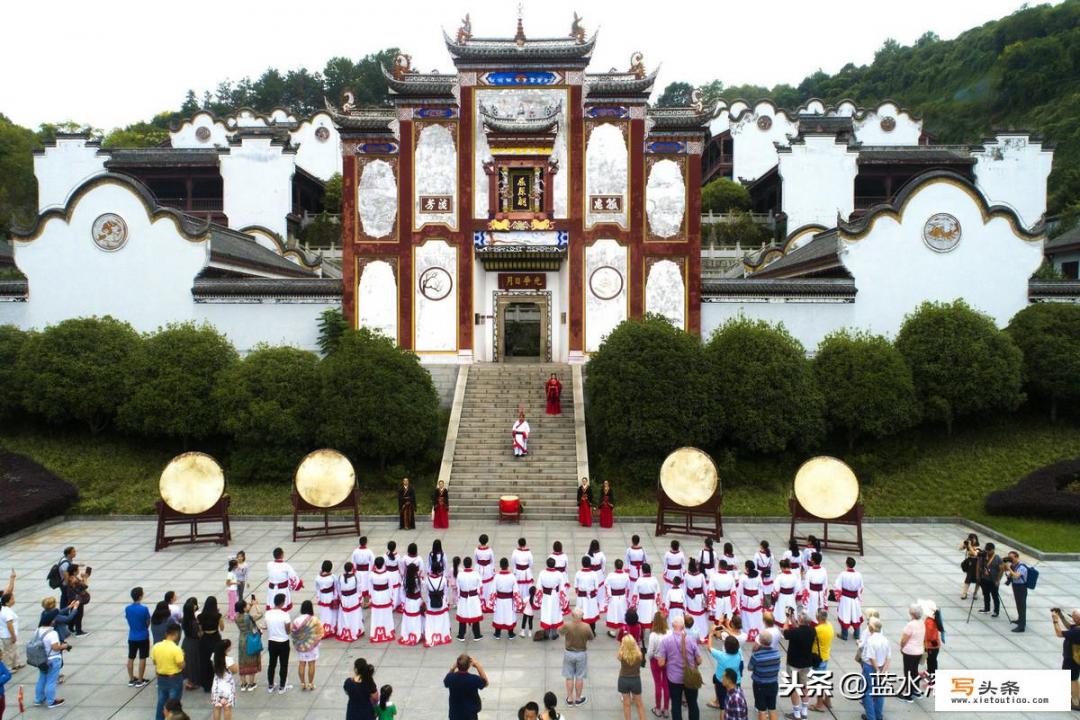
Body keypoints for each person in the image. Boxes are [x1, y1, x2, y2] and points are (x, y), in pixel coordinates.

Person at [656, 615, 702, 720]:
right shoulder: (691, 640)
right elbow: (699, 661)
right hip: (690, 677)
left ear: (672, 625)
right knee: (693, 704)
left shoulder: (665, 641)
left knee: (676, 704)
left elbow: (661, 663)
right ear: (683, 626)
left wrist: (669, 662)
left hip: (674, 678)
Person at [781, 610, 816, 720]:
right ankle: (804, 711)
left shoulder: (795, 632)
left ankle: (796, 713)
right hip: (807, 664)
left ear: (800, 620)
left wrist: (787, 619)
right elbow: (799, 628)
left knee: (794, 688)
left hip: (794, 664)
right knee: (805, 686)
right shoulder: (812, 630)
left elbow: (785, 632)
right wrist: (793, 619)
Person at [32, 610, 68, 709]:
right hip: (53, 659)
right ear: (51, 621)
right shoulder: (52, 633)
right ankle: (51, 701)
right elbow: (55, 647)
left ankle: (38, 699)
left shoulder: (37, 631)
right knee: (51, 681)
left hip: (41, 659)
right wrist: (64, 646)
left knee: (42, 679)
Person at [560, 607, 595, 705]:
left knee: (569, 677)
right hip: (581, 654)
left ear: (572, 616)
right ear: (582, 616)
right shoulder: (586, 626)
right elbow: (591, 638)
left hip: (569, 653)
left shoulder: (567, 625)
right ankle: (579, 699)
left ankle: (570, 699)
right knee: (579, 677)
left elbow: (560, 632)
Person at [151, 623, 185, 720]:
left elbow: (154, 662)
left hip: (161, 678)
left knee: (161, 701)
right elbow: (181, 665)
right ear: (176, 634)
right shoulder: (176, 649)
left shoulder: (156, 646)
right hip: (174, 678)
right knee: (174, 703)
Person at [859, 618, 891, 720]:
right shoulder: (885, 640)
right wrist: (883, 671)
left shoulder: (871, 640)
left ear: (872, 628)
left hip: (870, 668)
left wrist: (877, 670)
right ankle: (878, 715)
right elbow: (888, 658)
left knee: (867, 692)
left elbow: (871, 658)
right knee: (879, 692)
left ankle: (871, 717)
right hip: (882, 667)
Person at [289, 600, 324, 691]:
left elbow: (293, 633)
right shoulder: (314, 619)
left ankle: (302, 683)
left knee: (302, 663)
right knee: (311, 664)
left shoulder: (296, 620)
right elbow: (320, 632)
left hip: (301, 646)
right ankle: (311, 684)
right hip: (312, 646)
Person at [747, 629, 780, 720]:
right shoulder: (777, 654)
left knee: (762, 710)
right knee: (772, 708)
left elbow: (750, 668)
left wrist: (754, 651)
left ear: (760, 641)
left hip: (760, 685)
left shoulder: (756, 656)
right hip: (773, 684)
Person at [706, 627, 742, 711]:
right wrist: (727, 631)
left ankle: (719, 703)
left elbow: (709, 648)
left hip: (721, 681)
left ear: (725, 647)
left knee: (723, 707)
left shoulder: (721, 656)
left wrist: (710, 635)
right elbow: (736, 642)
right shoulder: (739, 653)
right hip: (736, 681)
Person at [444, 654, 488, 720]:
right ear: (469, 665)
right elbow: (486, 683)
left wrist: (452, 668)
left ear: (457, 665)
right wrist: (478, 666)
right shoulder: (474, 679)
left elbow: (446, 682)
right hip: (470, 714)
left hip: (455, 713)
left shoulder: (451, 678)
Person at [234, 595, 263, 692]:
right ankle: (251, 683)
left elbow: (245, 613)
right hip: (250, 639)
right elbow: (260, 614)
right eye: (246, 605)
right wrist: (255, 605)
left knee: (242, 661)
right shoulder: (248, 617)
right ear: (243, 607)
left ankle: (243, 684)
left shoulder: (236, 617)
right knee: (252, 660)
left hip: (242, 639)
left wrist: (250, 605)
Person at [1052, 608, 1080, 710]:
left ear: (1077, 620)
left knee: (1072, 679)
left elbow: (1059, 633)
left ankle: (1076, 702)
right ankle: (1075, 699)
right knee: (1074, 679)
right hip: (1074, 658)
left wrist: (1055, 620)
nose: (1071, 619)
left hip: (1072, 659)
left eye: (1073, 617)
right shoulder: (1077, 628)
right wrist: (1061, 616)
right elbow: (1069, 626)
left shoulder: (1077, 632)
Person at [264, 592, 292, 694]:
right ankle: (282, 686)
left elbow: (266, 626)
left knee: (272, 664)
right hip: (283, 642)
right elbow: (288, 630)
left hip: (272, 641)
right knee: (283, 665)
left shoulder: (268, 613)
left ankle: (270, 685)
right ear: (282, 603)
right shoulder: (285, 615)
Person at [807, 609, 834, 713]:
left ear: (818, 618)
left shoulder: (817, 630)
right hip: (826, 656)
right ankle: (827, 700)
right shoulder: (830, 625)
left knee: (819, 682)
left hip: (818, 658)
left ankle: (819, 705)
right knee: (824, 679)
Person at [646, 611, 671, 718]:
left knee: (658, 684)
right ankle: (666, 709)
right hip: (667, 660)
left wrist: (650, 658)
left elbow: (650, 652)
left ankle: (657, 708)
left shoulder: (653, 635)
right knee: (666, 684)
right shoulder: (669, 633)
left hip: (656, 660)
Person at [125, 586, 151, 687]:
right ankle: (140, 679)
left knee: (131, 657)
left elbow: (128, 619)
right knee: (142, 658)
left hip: (132, 636)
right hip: (143, 635)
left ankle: (131, 679)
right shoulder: (144, 609)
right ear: (140, 596)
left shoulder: (128, 608)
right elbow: (148, 621)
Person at [898, 603, 925, 703]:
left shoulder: (910, 625)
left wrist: (901, 647)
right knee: (914, 671)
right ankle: (916, 691)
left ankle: (908, 695)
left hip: (910, 652)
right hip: (919, 651)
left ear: (912, 613)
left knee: (908, 672)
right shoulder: (921, 622)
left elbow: (904, 640)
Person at [197, 596, 224, 692]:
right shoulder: (218, 616)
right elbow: (222, 628)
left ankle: (206, 683)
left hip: (204, 639)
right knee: (215, 661)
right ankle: (216, 682)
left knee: (205, 661)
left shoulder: (200, 616)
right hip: (215, 638)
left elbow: (200, 631)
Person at [424, 558, 453, 646]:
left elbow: (426, 591)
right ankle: (442, 633)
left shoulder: (427, 579)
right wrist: (446, 600)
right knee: (442, 618)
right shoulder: (443, 579)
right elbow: (446, 591)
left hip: (431, 602)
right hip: (441, 601)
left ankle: (431, 633)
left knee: (431, 619)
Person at [618, 633, 647, 720]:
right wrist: (635, 645)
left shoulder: (621, 655)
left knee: (626, 704)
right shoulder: (639, 655)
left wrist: (623, 645)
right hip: (636, 680)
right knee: (639, 704)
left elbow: (618, 655)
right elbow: (639, 651)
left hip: (623, 680)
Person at [834, 557, 863, 641]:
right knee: (856, 616)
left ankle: (844, 635)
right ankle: (857, 634)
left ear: (846, 564)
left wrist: (838, 597)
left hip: (845, 599)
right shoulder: (859, 574)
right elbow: (861, 588)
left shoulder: (843, 574)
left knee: (844, 615)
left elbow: (837, 586)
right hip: (854, 599)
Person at [368, 557, 397, 644]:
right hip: (385, 595)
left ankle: (375, 632)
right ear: (383, 564)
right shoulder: (388, 574)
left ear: (375, 565)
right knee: (386, 613)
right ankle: (388, 631)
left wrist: (371, 597)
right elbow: (391, 587)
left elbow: (369, 588)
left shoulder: (371, 575)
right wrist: (391, 596)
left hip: (376, 596)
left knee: (376, 614)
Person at [539, 557, 566, 639]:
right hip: (555, 596)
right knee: (555, 612)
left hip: (546, 596)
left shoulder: (542, 573)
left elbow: (538, 587)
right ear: (555, 565)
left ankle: (546, 633)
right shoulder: (559, 574)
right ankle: (554, 633)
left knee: (546, 612)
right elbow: (562, 588)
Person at [210, 638, 237, 720]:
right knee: (227, 708)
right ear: (226, 648)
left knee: (217, 707)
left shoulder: (213, 656)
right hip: (227, 686)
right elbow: (235, 670)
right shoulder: (228, 660)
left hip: (217, 685)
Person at [492, 558, 519, 639]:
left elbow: (493, 590)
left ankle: (497, 633)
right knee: (509, 615)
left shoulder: (496, 576)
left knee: (499, 615)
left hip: (499, 599)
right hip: (509, 600)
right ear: (507, 565)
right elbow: (516, 591)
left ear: (500, 566)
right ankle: (510, 633)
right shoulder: (512, 576)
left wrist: (492, 602)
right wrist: (517, 602)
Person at [398, 564, 424, 646]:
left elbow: (401, 592)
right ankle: (418, 633)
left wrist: (404, 601)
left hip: (409, 601)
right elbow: (422, 590)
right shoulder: (419, 580)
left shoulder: (404, 580)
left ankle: (409, 633)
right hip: (417, 601)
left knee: (408, 618)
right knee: (417, 618)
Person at [337, 562, 364, 642]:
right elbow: (359, 589)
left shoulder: (340, 577)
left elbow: (339, 590)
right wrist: (360, 598)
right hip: (353, 598)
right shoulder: (355, 577)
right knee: (355, 614)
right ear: (352, 568)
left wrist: (341, 598)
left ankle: (346, 628)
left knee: (345, 614)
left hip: (344, 599)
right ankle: (355, 629)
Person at [60, 563, 89, 636]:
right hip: (77, 600)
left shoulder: (70, 577)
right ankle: (78, 631)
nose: (79, 571)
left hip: (72, 599)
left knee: (74, 614)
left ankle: (70, 627)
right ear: (74, 571)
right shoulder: (74, 579)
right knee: (79, 615)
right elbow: (84, 586)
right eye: (78, 570)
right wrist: (85, 578)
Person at [574, 556, 602, 631]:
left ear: (582, 563)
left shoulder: (578, 573)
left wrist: (581, 593)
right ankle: (592, 631)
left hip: (581, 597)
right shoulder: (594, 574)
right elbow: (596, 587)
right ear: (590, 563)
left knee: (581, 613)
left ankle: (581, 631)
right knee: (591, 613)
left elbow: (576, 587)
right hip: (591, 597)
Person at [739, 561, 764, 641]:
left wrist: (740, 600)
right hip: (756, 599)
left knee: (746, 616)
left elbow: (740, 590)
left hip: (747, 599)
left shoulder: (743, 577)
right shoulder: (758, 576)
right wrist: (760, 598)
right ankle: (757, 630)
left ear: (746, 568)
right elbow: (761, 588)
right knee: (756, 615)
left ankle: (746, 632)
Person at [0, 573, 20, 673]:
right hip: (7, 634)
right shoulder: (6, 612)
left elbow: (9, 591)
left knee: (13, 649)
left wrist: (12, 578)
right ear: (7, 602)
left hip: (8, 634)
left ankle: (16, 664)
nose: (14, 600)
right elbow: (9, 625)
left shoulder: (5, 608)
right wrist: (13, 635)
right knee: (8, 651)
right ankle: (8, 668)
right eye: (12, 599)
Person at [684, 559, 707, 644]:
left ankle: (690, 633)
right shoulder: (701, 576)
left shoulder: (686, 575)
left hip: (690, 598)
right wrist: (707, 598)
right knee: (700, 615)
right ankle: (702, 634)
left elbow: (684, 588)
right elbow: (705, 589)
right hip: (699, 598)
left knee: (692, 614)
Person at [180, 598, 202, 690]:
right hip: (194, 643)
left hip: (186, 642)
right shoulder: (194, 622)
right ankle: (192, 682)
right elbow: (198, 634)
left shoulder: (184, 620)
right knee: (193, 662)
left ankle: (189, 680)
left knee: (188, 662)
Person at [976, 542, 1003, 618]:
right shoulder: (983, 556)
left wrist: (998, 580)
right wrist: (978, 576)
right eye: (986, 550)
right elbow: (978, 565)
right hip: (984, 578)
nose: (987, 552)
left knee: (995, 596)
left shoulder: (997, 558)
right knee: (985, 594)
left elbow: (1001, 570)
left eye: (989, 550)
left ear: (993, 550)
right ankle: (986, 608)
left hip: (993, 580)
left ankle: (996, 611)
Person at [635, 563, 661, 640]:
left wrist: (635, 604)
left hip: (642, 603)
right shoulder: (654, 580)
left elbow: (635, 594)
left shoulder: (639, 580)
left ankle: (641, 635)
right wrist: (657, 603)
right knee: (651, 618)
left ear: (642, 571)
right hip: (651, 603)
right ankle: (651, 635)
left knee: (641, 618)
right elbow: (658, 593)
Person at [1004, 551, 1028, 632]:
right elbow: (1011, 575)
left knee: (1022, 606)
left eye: (1011, 557)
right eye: (1009, 557)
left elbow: (1016, 576)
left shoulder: (1022, 567)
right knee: (1018, 604)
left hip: (1021, 587)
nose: (1010, 559)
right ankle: (1020, 619)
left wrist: (1009, 568)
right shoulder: (1013, 565)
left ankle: (1022, 626)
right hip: (1015, 586)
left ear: (1016, 557)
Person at [313, 561, 338, 637]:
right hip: (330, 596)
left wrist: (318, 596)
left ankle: (324, 627)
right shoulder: (333, 577)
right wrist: (336, 596)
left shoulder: (318, 578)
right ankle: (331, 628)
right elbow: (337, 587)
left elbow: (317, 588)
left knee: (323, 612)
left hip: (322, 597)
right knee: (331, 613)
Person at [606, 558, 631, 636]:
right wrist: (626, 597)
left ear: (615, 566)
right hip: (622, 596)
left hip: (613, 597)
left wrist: (609, 596)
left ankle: (613, 631)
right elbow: (628, 587)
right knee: (623, 612)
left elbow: (606, 585)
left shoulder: (610, 575)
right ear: (622, 566)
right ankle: (624, 630)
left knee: (613, 613)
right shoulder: (626, 575)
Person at [709, 559, 737, 624]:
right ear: (726, 567)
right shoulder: (730, 577)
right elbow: (733, 592)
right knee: (728, 619)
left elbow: (711, 591)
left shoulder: (713, 576)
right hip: (728, 600)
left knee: (718, 619)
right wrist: (733, 606)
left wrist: (712, 606)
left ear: (719, 566)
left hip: (718, 600)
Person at [474, 534, 496, 612]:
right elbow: (492, 560)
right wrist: (493, 570)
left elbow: (475, 560)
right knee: (488, 585)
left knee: (479, 584)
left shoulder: (476, 550)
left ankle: (480, 601)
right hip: (487, 569)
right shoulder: (490, 550)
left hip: (479, 568)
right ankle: (487, 602)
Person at [802, 552, 828, 618]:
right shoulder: (824, 570)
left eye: (811, 558)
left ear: (813, 561)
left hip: (812, 594)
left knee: (812, 610)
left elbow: (806, 587)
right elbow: (825, 585)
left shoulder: (809, 571)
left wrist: (805, 602)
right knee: (819, 609)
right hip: (820, 593)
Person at [351, 537, 376, 603]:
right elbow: (373, 561)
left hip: (358, 571)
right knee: (366, 586)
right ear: (366, 542)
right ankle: (366, 602)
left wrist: (354, 570)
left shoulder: (355, 551)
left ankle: (360, 601)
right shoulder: (369, 551)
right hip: (366, 572)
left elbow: (353, 562)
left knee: (359, 586)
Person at [959, 533, 980, 600]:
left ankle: (975, 593)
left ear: (976, 539)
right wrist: (964, 543)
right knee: (968, 578)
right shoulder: (968, 545)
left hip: (977, 563)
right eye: (970, 538)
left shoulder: (978, 547)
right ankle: (964, 593)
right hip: (970, 563)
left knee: (978, 579)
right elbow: (960, 548)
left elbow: (975, 553)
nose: (972, 540)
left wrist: (970, 546)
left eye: (973, 539)